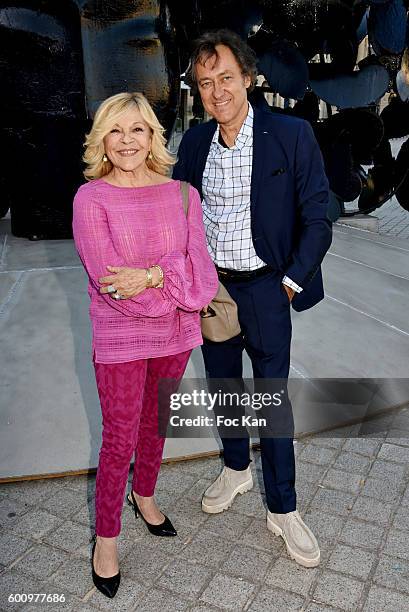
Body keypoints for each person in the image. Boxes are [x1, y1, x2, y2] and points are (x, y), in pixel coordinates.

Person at [173, 29, 332, 568]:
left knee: (271, 398)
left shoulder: (291, 134)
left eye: (225, 78)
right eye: (205, 82)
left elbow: (317, 216)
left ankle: (283, 508)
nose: (217, 91)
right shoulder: (194, 144)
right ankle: (237, 468)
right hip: (214, 290)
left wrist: (290, 281)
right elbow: (182, 217)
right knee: (224, 385)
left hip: (268, 284)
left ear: (248, 77)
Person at [72, 92, 218, 598]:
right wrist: (173, 289)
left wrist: (155, 275)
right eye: (116, 130)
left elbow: (202, 278)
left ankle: (146, 494)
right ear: (102, 140)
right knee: (119, 436)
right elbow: (113, 286)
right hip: (119, 337)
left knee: (158, 420)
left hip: (176, 335)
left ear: (154, 135)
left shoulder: (182, 195)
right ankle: (106, 537)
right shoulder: (90, 199)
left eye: (138, 129)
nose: (127, 141)